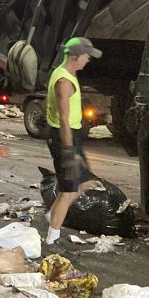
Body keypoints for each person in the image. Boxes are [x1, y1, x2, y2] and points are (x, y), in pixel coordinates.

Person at [44, 37, 102, 244]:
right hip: (64, 138)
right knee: (69, 191)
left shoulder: (67, 74)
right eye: (86, 56)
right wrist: (68, 150)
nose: (88, 60)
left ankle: (52, 217)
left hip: (71, 138)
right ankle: (52, 239)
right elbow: (63, 119)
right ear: (76, 57)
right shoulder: (64, 82)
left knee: (83, 182)